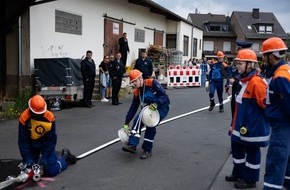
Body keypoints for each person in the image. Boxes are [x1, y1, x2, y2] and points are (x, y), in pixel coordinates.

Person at [225, 49, 270, 188]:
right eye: (237, 63)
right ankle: (238, 172)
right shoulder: (244, 81)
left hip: (252, 127)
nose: (237, 66)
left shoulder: (257, 82)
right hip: (240, 124)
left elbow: (266, 106)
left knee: (252, 152)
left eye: (240, 63)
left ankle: (250, 179)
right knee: (237, 148)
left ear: (249, 65)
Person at [18, 95, 77, 177]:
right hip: (32, 146)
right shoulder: (24, 118)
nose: (38, 116)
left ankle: (65, 157)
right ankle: (35, 160)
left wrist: (45, 157)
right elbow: (23, 141)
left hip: (45, 145)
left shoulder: (49, 117)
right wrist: (27, 158)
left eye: (40, 114)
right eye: (35, 114)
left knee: (51, 170)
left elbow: (51, 140)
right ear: (30, 109)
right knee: (29, 170)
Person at [121, 69, 170, 159]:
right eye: (132, 82)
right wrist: (127, 121)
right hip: (149, 108)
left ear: (140, 78)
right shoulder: (137, 92)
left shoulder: (152, 83)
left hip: (162, 107)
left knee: (150, 124)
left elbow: (164, 96)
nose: (134, 84)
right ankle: (132, 145)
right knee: (137, 120)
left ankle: (147, 150)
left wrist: (157, 103)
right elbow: (133, 108)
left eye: (135, 81)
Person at [262, 37, 290, 190]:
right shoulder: (284, 71)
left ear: (271, 56)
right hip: (284, 125)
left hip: (282, 126)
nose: (263, 60)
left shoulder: (280, 76)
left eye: (264, 56)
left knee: (276, 162)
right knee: (286, 162)